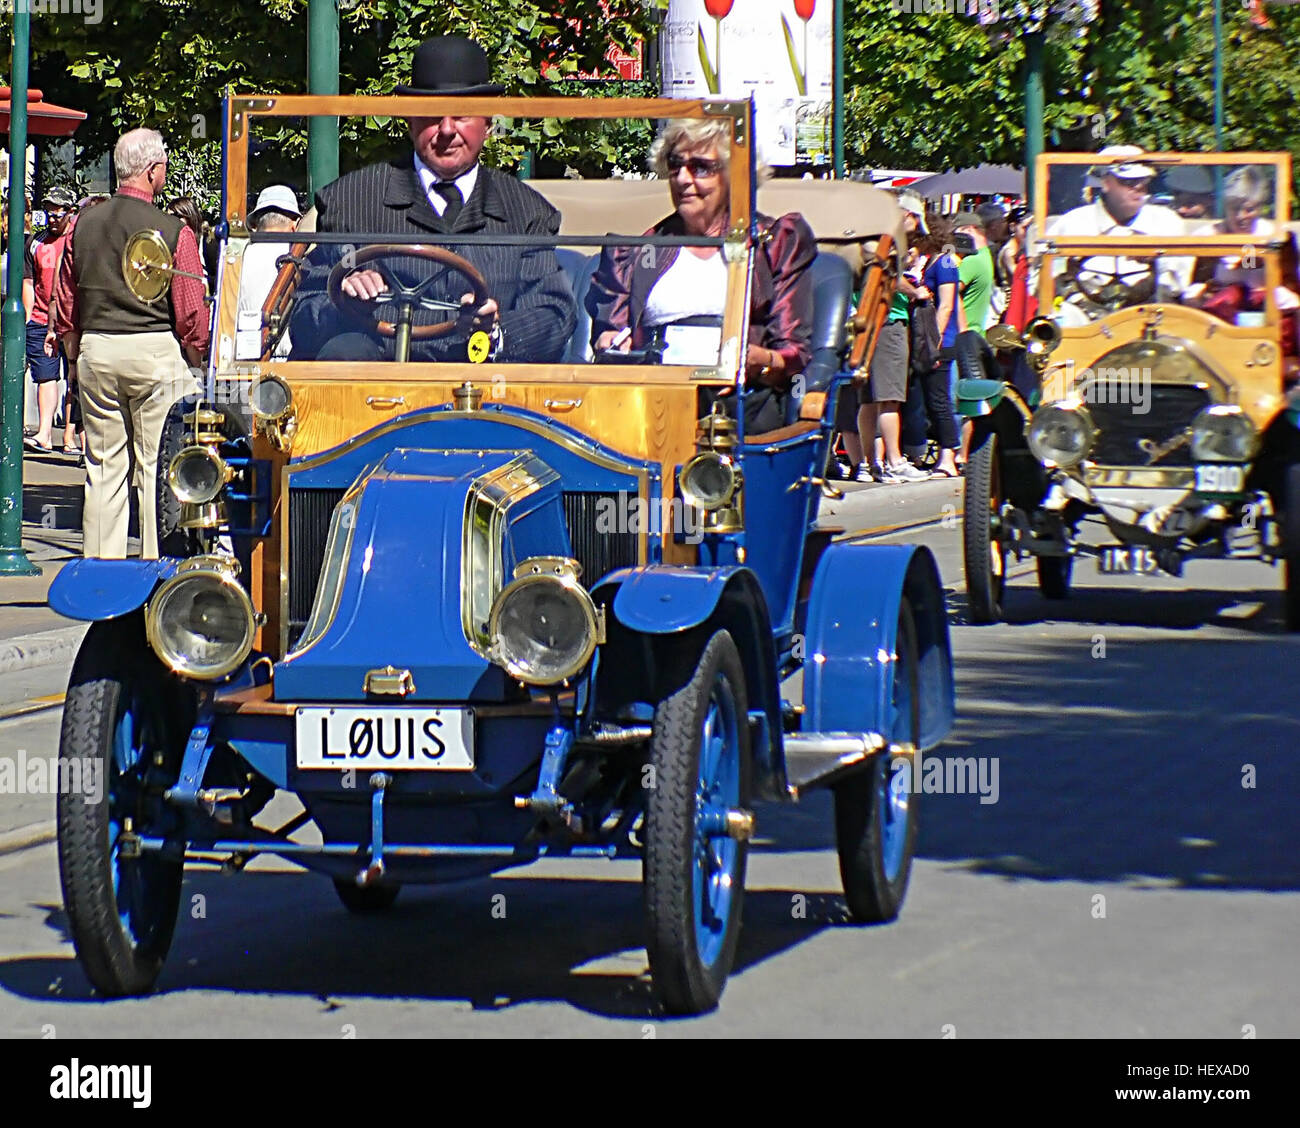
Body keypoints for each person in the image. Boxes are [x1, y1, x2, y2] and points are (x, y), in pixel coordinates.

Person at [289, 36, 575, 363]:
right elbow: (305, 313)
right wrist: (343, 300)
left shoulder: (527, 212)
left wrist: (495, 330)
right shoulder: (350, 200)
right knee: (344, 352)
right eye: (431, 115)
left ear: (488, 122)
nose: (447, 130)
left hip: (486, 395)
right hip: (376, 396)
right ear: (409, 120)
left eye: (462, 115)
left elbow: (554, 313)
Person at [586, 118, 814, 434]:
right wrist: (611, 343)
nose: (682, 178)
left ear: (735, 176)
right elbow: (609, 333)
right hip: (652, 403)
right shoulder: (637, 251)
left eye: (701, 167)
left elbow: (794, 354)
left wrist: (757, 360)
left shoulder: (772, 243)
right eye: (675, 164)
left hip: (742, 404)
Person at [53, 128, 208, 559]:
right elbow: (191, 310)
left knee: (103, 469)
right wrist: (196, 358)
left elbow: (66, 298)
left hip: (97, 350)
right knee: (159, 470)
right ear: (153, 171)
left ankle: (102, 575)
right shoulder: (175, 231)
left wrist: (74, 351)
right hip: (155, 351)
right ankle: (159, 570)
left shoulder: (82, 225)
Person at [1048, 145, 1190, 310]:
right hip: (1085, 319)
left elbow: (1178, 286)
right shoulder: (1073, 223)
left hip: (1152, 315)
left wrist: (1157, 256)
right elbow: (1045, 282)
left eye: (1143, 181)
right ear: (1106, 183)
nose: (1138, 187)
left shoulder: (1166, 222)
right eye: (1128, 181)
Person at [852, 193, 930, 483]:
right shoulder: (889, 242)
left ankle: (867, 463)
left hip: (866, 322)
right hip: (889, 322)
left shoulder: (867, 238)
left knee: (869, 399)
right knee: (890, 399)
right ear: (906, 216)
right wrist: (915, 292)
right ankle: (895, 461)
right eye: (915, 223)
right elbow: (889, 277)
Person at [22, 188, 77, 453]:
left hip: (73, 321)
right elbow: (29, 281)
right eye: (50, 212)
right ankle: (44, 433)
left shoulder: (78, 241)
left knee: (77, 379)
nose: (54, 218)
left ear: (71, 212)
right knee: (46, 376)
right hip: (41, 318)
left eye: (60, 212)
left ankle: (70, 437)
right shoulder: (36, 242)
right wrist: (29, 316)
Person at [917, 217, 963, 479]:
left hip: (942, 341)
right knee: (933, 399)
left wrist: (933, 341)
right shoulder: (934, 261)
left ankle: (948, 457)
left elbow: (946, 305)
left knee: (939, 399)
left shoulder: (945, 262)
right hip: (936, 340)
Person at [238, 184, 303, 359]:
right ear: (295, 225)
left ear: (255, 225)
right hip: (291, 361)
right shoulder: (300, 259)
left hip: (245, 360)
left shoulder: (237, 257)